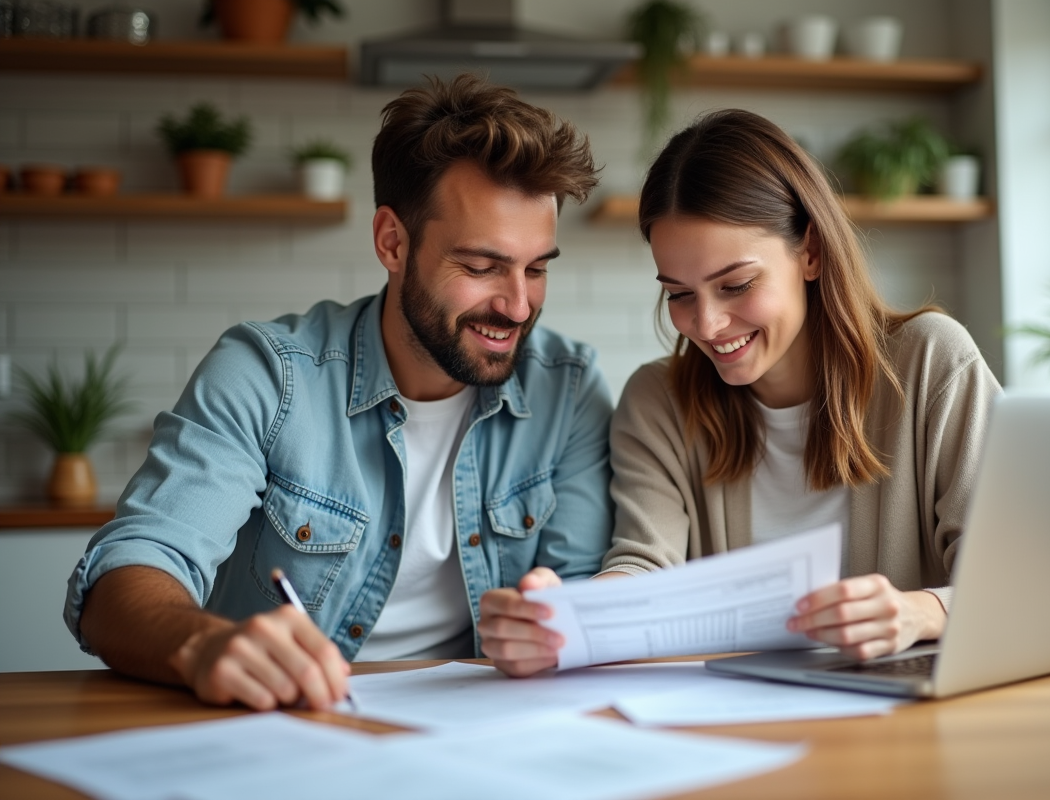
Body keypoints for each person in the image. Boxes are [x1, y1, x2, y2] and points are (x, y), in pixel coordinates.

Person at [65, 75, 614, 710]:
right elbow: (128, 574)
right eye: (481, 267)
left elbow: (585, 595)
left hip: (481, 723)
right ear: (392, 242)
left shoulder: (568, 389)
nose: (518, 306)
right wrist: (201, 643)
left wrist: (562, 623)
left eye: (537, 268)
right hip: (286, 722)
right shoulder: (266, 375)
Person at [479, 109, 1002, 678]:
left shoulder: (931, 362)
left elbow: (1019, 576)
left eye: (736, 285)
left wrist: (920, 612)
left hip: (909, 715)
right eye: (679, 294)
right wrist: (567, 619)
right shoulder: (658, 401)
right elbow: (644, 564)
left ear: (810, 252)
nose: (706, 324)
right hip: (738, 716)